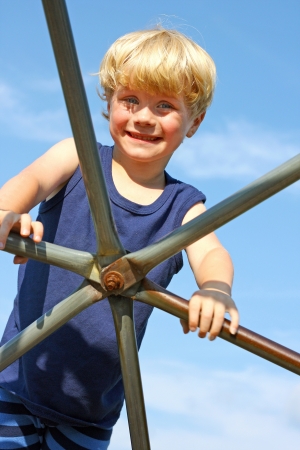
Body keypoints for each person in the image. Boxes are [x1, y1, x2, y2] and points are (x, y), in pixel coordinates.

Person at [0, 28, 239, 449]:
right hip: (15, 381)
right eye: (131, 100)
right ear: (109, 102)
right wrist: (8, 211)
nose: (144, 117)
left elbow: (212, 253)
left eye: (164, 106)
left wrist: (216, 291)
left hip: (90, 415)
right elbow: (29, 182)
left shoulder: (183, 206)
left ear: (193, 122)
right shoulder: (77, 158)